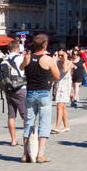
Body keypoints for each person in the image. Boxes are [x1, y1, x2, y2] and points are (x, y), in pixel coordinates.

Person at [21, 34, 59, 163]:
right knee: (44, 123)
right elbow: (57, 75)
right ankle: (40, 154)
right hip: (43, 93)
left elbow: (21, 68)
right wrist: (50, 80)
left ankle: (25, 154)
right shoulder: (47, 59)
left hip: (30, 93)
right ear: (45, 45)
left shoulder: (27, 58)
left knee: (28, 123)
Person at [0, 38, 28, 147]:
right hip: (20, 88)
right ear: (17, 48)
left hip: (8, 90)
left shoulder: (4, 59)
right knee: (25, 115)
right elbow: (26, 71)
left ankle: (13, 139)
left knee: (11, 115)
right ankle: (26, 139)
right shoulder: (20, 58)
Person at [51, 50, 73, 134]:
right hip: (58, 84)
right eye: (59, 55)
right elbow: (52, 71)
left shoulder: (69, 62)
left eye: (61, 55)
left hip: (65, 85)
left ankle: (57, 127)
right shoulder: (57, 62)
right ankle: (66, 126)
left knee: (59, 105)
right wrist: (54, 60)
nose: (60, 57)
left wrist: (65, 58)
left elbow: (64, 70)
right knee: (62, 107)